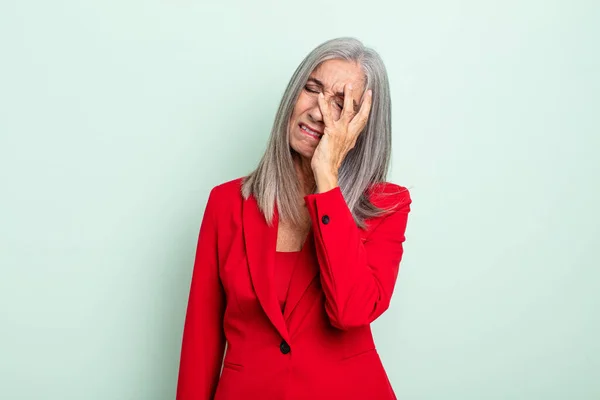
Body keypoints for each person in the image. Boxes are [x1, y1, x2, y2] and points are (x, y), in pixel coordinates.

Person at [176, 37, 412, 400]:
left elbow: (351, 312)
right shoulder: (226, 203)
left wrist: (327, 182)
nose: (318, 111)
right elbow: (201, 341)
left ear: (362, 127)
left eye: (340, 104)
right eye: (312, 89)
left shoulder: (386, 205)